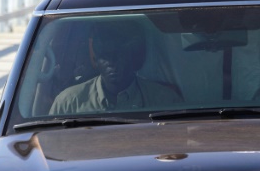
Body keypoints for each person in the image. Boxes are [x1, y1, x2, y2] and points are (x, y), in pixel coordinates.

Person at [50, 20, 181, 114]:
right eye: (104, 56)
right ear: (95, 59)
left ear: (133, 57)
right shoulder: (69, 103)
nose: (111, 62)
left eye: (118, 55)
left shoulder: (165, 101)